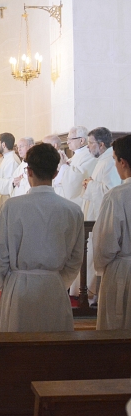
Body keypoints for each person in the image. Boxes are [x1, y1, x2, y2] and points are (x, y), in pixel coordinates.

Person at [0, 142, 84, 416]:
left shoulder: (13, 208)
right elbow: (75, 259)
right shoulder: (72, 210)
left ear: (27, 173)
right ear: (56, 172)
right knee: (54, 360)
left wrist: (5, 283)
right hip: (54, 292)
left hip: (20, 290)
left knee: (19, 360)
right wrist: (56, 281)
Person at [70, 127, 121, 300]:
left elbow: (110, 192)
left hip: (100, 217)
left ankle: (91, 294)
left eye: (91, 143)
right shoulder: (103, 160)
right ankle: (87, 291)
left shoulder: (109, 162)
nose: (89, 147)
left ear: (100, 144)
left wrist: (91, 184)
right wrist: (90, 183)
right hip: (93, 213)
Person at [94, 135, 131, 329]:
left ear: (122, 162)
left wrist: (101, 266)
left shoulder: (117, 196)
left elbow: (105, 244)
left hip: (122, 273)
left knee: (118, 329)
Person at [59, 125, 98, 206]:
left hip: (81, 203)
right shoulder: (77, 154)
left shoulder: (89, 154)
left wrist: (64, 166)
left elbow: (79, 177)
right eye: (67, 139)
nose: (67, 142)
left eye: (71, 139)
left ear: (82, 140)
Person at [0, 132, 21, 217]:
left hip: (7, 200)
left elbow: (11, 184)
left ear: (3, 145)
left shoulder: (12, 160)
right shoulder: (7, 158)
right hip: (2, 200)